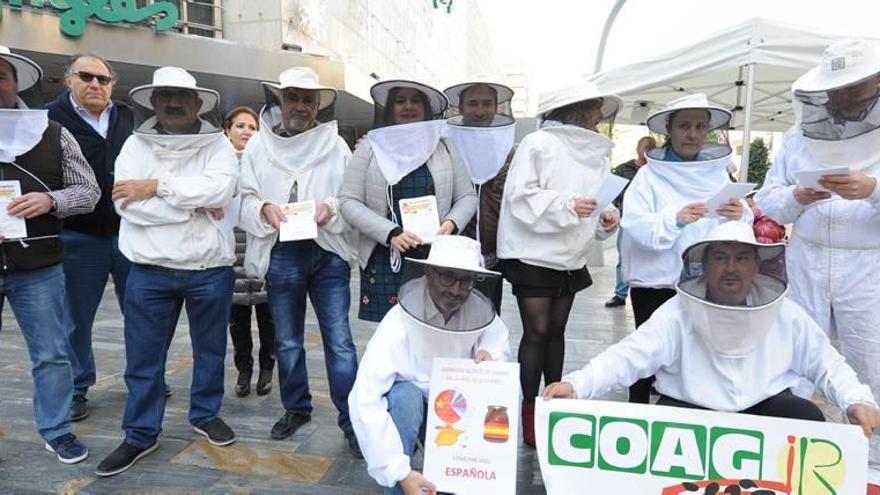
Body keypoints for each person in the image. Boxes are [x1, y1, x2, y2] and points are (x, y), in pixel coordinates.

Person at [544, 222, 880, 488]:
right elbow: (627, 356)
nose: (731, 268)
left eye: (742, 258)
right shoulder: (676, 313)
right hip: (689, 415)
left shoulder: (787, 315)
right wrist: (577, 385)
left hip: (764, 411)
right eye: (720, 257)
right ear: (703, 266)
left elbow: (826, 362)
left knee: (803, 416)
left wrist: (856, 400)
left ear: (757, 266)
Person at [96, 67, 239, 477]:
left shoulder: (218, 145)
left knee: (210, 350)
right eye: (165, 97)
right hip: (148, 269)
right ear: (152, 103)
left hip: (209, 268)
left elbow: (220, 191)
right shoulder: (134, 145)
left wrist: (156, 187)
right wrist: (192, 202)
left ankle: (205, 413)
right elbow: (127, 205)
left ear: (197, 103)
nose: (173, 103)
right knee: (143, 359)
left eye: (181, 96)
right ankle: (140, 433)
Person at [754, 38, 880, 492]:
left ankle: (872, 470)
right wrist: (796, 196)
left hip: (870, 266)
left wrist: (872, 189)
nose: (845, 98)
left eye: (855, 88)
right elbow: (769, 199)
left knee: (871, 362)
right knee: (795, 354)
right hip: (806, 257)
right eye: (839, 89)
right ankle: (788, 453)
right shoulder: (797, 135)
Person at [238, 67, 361, 455]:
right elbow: (242, 196)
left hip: (328, 253)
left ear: (316, 106)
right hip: (282, 253)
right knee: (288, 341)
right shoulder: (259, 146)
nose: (300, 106)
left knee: (339, 342)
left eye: (308, 100)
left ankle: (352, 420)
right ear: (280, 101)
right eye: (293, 97)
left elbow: (350, 196)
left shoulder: (336, 144)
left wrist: (330, 207)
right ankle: (296, 408)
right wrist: (264, 208)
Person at [496, 80, 621, 447]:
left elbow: (598, 198)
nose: (600, 116)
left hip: (569, 255)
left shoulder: (596, 152)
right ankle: (529, 410)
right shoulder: (538, 143)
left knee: (556, 331)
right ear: (577, 109)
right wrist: (568, 204)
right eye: (595, 108)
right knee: (536, 332)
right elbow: (520, 196)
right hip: (533, 254)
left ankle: (555, 401)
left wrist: (606, 216)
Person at [348, 235, 510, 495]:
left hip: (460, 410)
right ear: (428, 272)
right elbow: (364, 398)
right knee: (405, 397)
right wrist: (397, 470)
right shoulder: (397, 323)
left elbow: (498, 346)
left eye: (466, 280)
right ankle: (402, 487)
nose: (457, 290)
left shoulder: (481, 312)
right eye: (448, 277)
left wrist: (490, 357)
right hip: (414, 408)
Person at [0, 45, 99, 464]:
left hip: (37, 266)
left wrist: (50, 200)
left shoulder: (53, 131)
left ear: (16, 82)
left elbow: (89, 192)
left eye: (0, 74)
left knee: (51, 353)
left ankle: (56, 430)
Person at [620, 93, 753, 404]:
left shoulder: (717, 171)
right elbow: (635, 224)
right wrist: (675, 219)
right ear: (670, 129)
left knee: (697, 360)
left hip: (702, 283)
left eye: (699, 126)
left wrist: (740, 213)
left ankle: (685, 421)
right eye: (684, 126)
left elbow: (738, 220)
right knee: (645, 357)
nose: (692, 134)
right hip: (656, 283)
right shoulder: (648, 176)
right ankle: (635, 422)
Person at [339, 78, 477, 322]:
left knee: (432, 325)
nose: (408, 106)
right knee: (389, 335)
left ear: (425, 107)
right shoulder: (371, 146)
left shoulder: (444, 146)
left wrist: (451, 224)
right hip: (384, 257)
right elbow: (348, 201)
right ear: (390, 107)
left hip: (434, 256)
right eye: (400, 101)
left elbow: (467, 196)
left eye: (415, 100)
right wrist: (390, 232)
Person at [44, 53, 134, 422]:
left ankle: (145, 378)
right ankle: (78, 387)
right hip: (79, 236)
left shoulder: (127, 116)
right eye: (86, 76)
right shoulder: (48, 118)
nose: (95, 84)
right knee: (76, 319)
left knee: (142, 314)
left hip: (130, 233)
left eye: (103, 79)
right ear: (69, 80)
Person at [443, 76, 516, 313]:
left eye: (487, 103)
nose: (480, 110)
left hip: (493, 253)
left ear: (497, 107)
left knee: (487, 315)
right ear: (461, 107)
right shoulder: (443, 143)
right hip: (449, 247)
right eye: (473, 103)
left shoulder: (509, 149)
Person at [221, 105, 276, 398]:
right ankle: (244, 368)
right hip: (231, 249)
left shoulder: (266, 161)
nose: (246, 132)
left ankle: (268, 365)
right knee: (238, 318)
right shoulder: (218, 162)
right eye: (240, 126)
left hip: (262, 242)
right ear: (228, 130)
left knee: (269, 316)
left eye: (252, 127)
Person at [604, 136, 656, 308]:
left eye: (650, 148)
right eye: (644, 147)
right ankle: (620, 294)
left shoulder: (656, 171)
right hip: (627, 219)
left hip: (650, 221)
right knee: (623, 256)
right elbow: (612, 192)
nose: (646, 151)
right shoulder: (623, 169)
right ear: (637, 148)